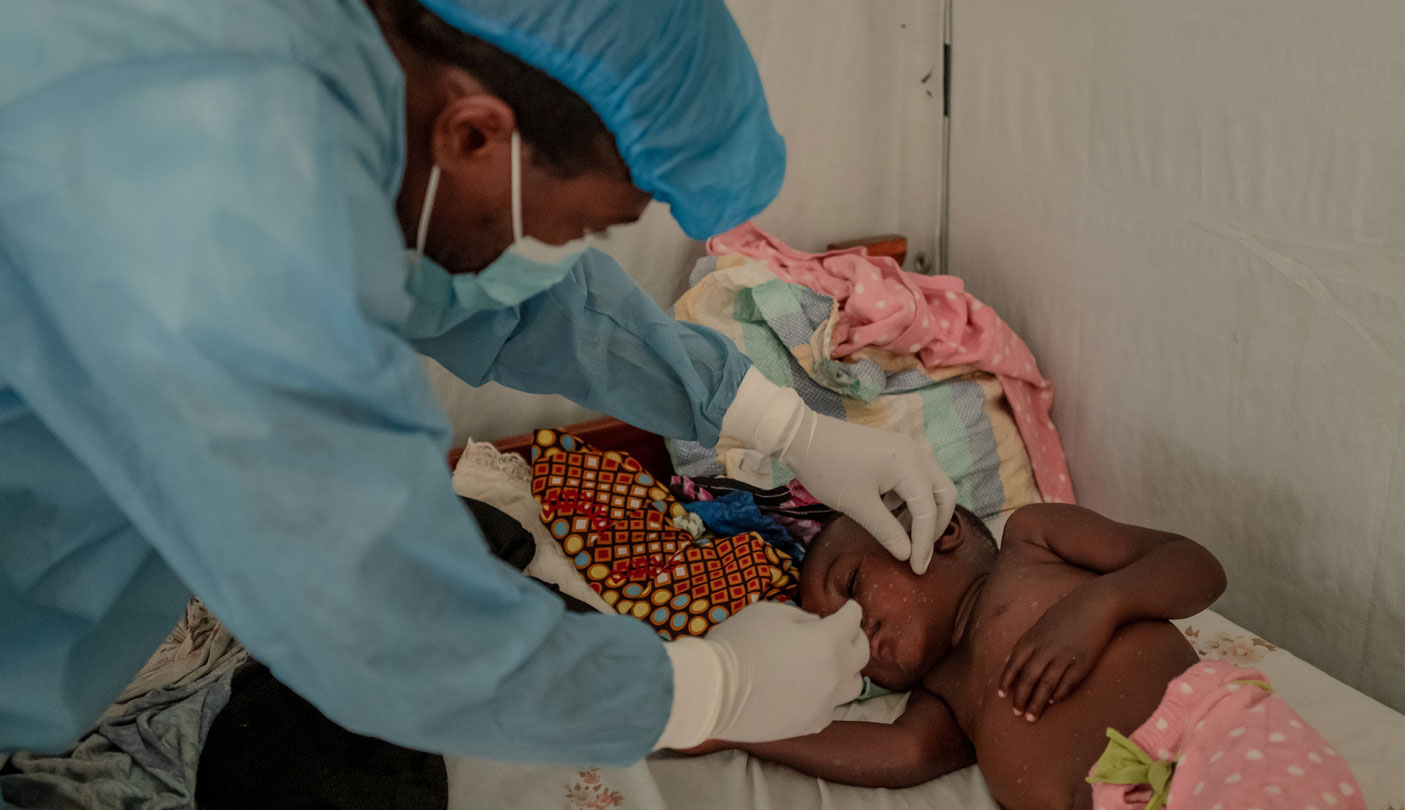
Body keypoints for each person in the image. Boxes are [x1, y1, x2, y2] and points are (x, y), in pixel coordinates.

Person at [0, 0, 959, 765]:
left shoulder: (335, 72)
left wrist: (784, 423)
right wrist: (705, 693)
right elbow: (388, 624)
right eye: (575, 228)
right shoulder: (227, 219)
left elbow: (522, 304)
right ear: (471, 133)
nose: (569, 258)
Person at [685, 504, 1364, 809]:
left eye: (853, 586)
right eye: (834, 634)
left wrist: (1100, 606)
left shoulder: (1033, 544)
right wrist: (737, 724)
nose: (851, 629)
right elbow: (902, 757)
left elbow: (1194, 566)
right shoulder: (944, 696)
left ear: (938, 529)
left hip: (1213, 749)